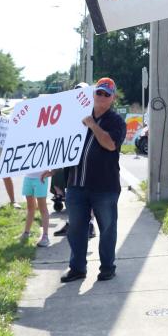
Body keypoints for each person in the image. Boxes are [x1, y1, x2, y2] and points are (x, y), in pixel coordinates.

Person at [60, 77, 126, 283]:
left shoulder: (116, 121)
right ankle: (77, 268)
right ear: (93, 94)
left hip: (104, 187)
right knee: (76, 230)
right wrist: (52, 171)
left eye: (107, 94)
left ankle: (107, 267)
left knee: (107, 229)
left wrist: (92, 125)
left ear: (112, 98)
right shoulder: (77, 116)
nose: (102, 96)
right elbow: (63, 146)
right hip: (76, 184)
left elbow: (110, 144)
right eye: (99, 92)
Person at [52, 82, 96, 240]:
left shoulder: (93, 113)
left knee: (89, 193)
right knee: (70, 193)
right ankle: (71, 222)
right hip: (70, 161)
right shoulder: (68, 113)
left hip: (88, 161)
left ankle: (90, 224)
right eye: (77, 93)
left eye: (82, 93)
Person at [20, 169, 52, 247]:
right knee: (30, 207)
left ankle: (45, 236)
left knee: (42, 208)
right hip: (28, 177)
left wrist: (51, 172)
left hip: (41, 178)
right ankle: (26, 232)